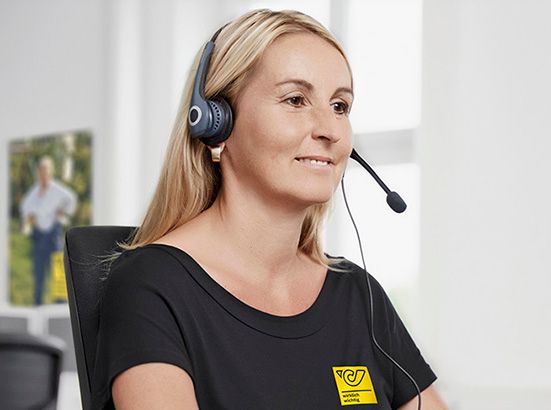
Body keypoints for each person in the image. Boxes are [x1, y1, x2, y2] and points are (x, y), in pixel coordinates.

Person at [92, 9, 448, 409]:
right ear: (217, 123)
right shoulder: (151, 286)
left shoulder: (356, 293)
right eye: (296, 100)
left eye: (340, 106)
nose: (329, 129)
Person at [20, 155, 77, 305]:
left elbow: (71, 199)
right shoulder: (33, 193)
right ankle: (37, 304)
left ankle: (60, 306)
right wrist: (29, 218)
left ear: (50, 172)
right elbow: (25, 208)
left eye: (46, 170)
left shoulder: (57, 190)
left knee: (58, 274)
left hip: (53, 236)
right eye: (41, 170)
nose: (43, 173)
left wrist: (63, 211)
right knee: (39, 274)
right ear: (38, 172)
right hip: (39, 237)